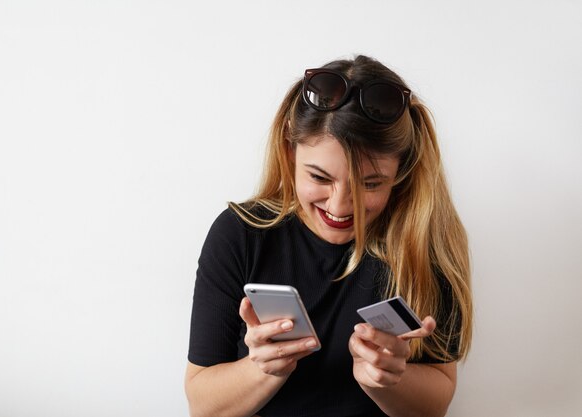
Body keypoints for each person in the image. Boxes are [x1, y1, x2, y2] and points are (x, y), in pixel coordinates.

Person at [184, 55, 473, 417]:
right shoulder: (240, 234)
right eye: (320, 178)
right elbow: (202, 405)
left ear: (402, 170)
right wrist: (263, 368)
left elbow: (437, 402)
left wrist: (387, 380)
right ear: (289, 151)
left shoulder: (427, 243)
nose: (340, 206)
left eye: (370, 184)